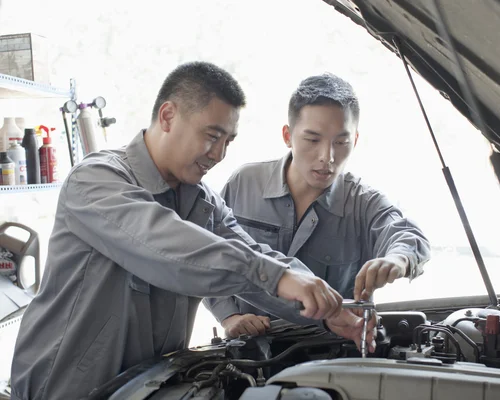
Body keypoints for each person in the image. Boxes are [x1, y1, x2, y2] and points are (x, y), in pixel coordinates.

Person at [9, 62, 375, 400]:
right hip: (63, 389)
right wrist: (278, 276)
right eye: (212, 136)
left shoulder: (202, 203)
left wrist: (330, 311)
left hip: (147, 385)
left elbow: (252, 256)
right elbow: (166, 245)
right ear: (168, 115)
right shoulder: (96, 180)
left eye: (228, 141)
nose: (218, 154)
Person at [203, 73, 431, 338]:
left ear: (355, 140)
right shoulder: (244, 183)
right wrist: (230, 316)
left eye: (341, 142)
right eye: (312, 140)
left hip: (330, 355)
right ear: (288, 135)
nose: (327, 157)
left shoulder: (363, 203)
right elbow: (208, 250)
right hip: (246, 351)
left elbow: (408, 235)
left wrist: (398, 259)